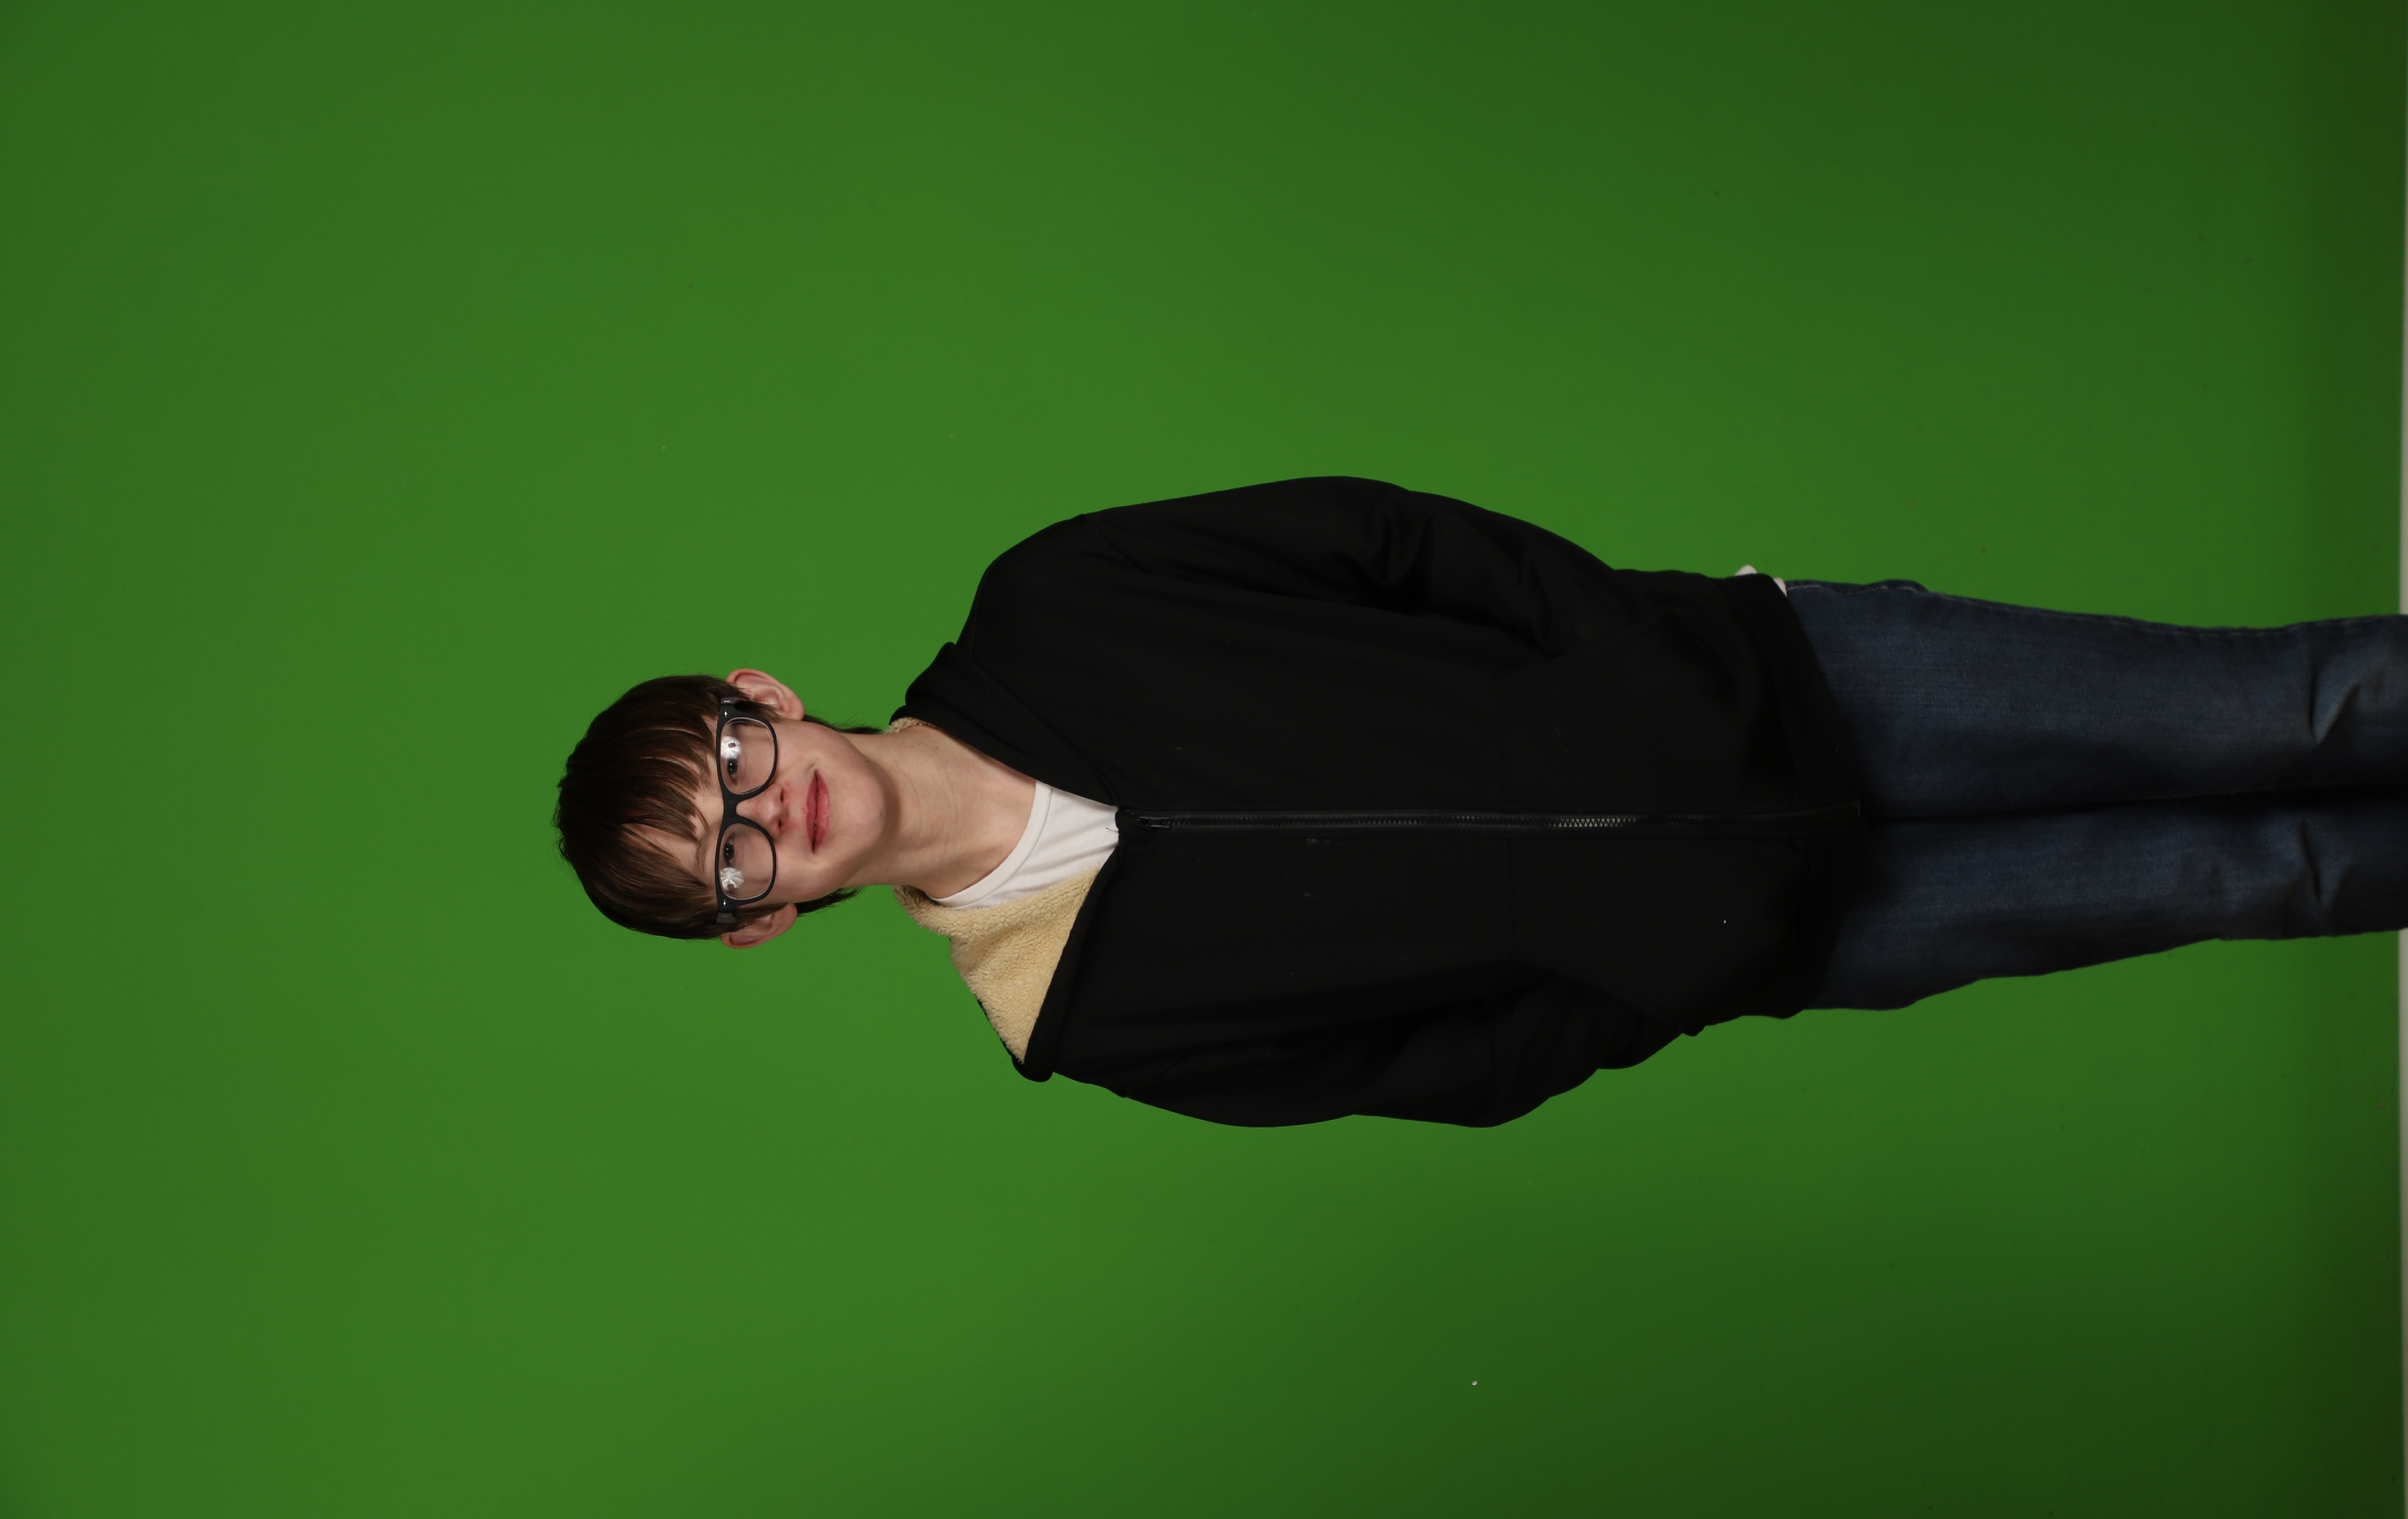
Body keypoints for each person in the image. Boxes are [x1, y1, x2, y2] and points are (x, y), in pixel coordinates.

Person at [555, 477, 2408, 1127]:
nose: (765, 817)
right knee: (2269, 875)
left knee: (2291, 702)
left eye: (728, 766)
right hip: (1794, 936)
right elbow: (1444, 1070)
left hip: (1797, 679)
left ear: (759, 696)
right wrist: (1663, 972)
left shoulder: (1055, 603)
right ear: (759, 925)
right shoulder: (1076, 1018)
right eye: (724, 864)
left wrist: (1632, 660)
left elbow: (1382, 539)